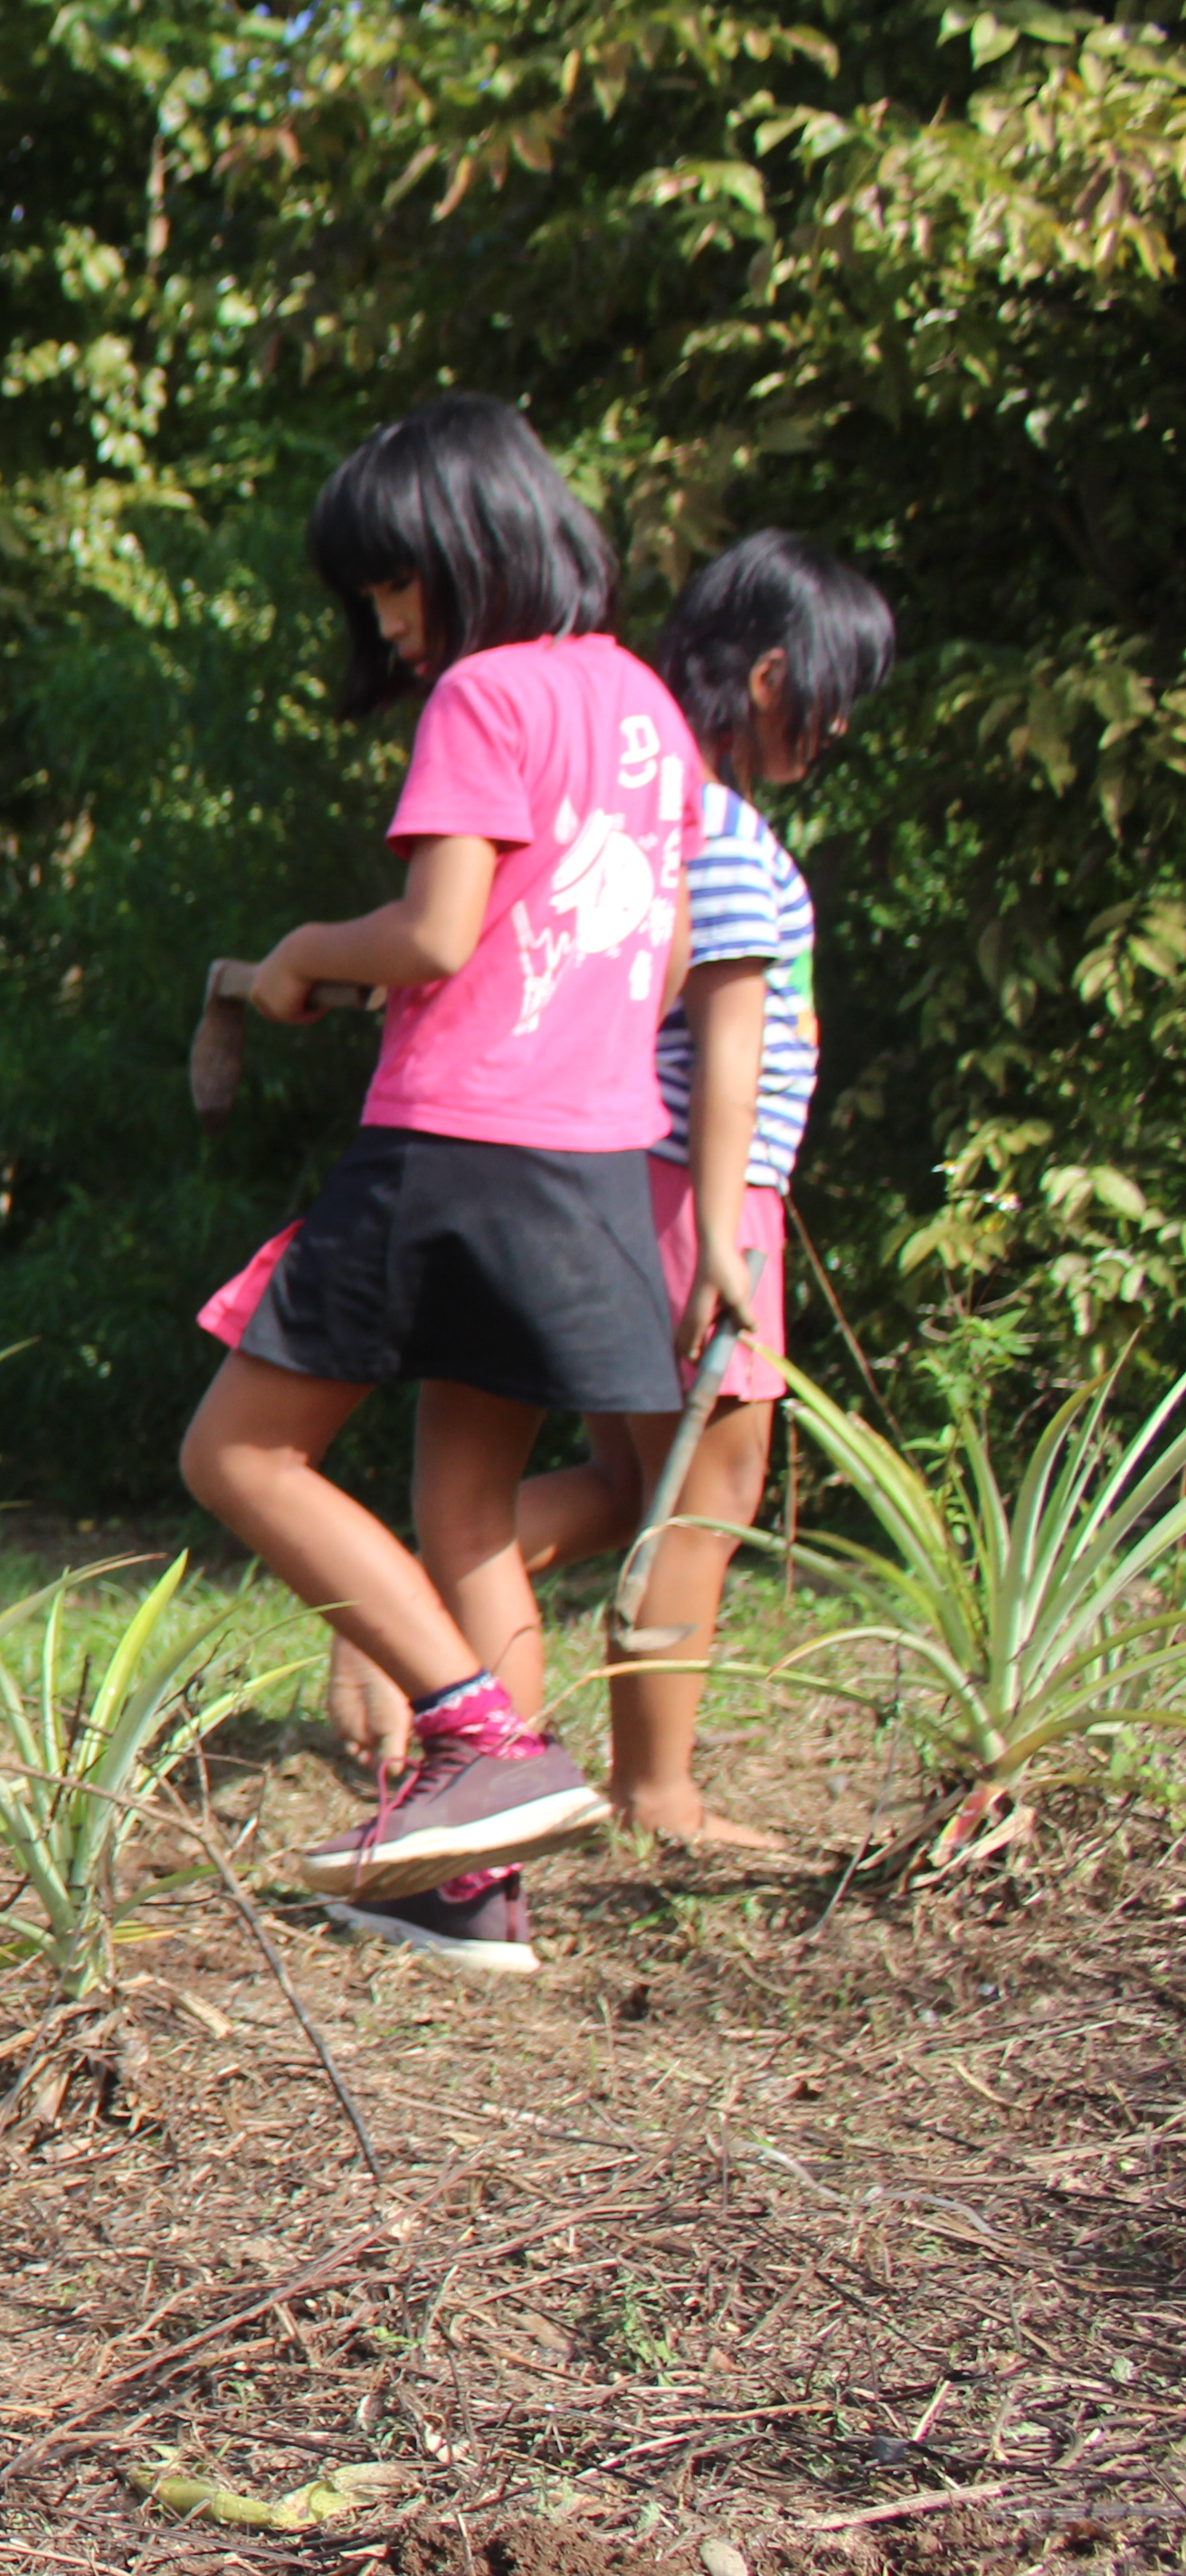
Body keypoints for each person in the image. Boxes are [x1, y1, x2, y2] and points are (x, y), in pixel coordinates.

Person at [181, 393, 702, 1965]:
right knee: (465, 1510)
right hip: (592, 1157)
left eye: (394, 582)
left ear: (468, 549)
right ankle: (469, 1889)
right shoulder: (642, 710)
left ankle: (478, 1735)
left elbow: (431, 934)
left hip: (454, 1143)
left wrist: (290, 960)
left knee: (238, 1456)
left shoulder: (483, 695)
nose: (388, 621)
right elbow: (661, 959)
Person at [324, 533, 895, 1880]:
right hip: (700, 1190)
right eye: (834, 688)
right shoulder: (729, 833)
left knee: (640, 1480)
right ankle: (659, 1789)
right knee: (710, 1489)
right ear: (769, 676)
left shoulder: (659, 806)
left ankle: (397, 1602)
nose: (843, 721)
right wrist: (726, 1225)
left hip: (615, 1175)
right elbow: (733, 1042)